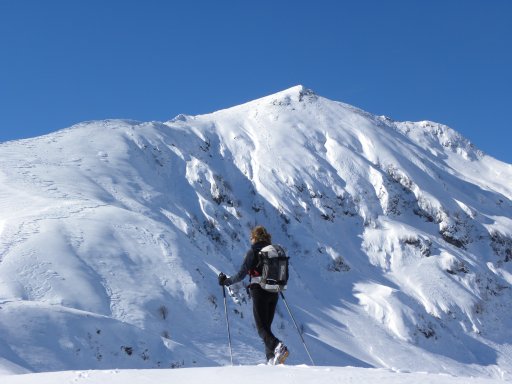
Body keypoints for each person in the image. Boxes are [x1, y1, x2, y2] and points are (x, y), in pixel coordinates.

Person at [218, 225, 289, 365]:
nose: (250, 239)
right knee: (266, 327)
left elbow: (241, 275)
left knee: (261, 328)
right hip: (274, 292)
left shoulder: (253, 252)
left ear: (255, 237)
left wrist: (226, 281)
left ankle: (277, 346)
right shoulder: (273, 252)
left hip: (259, 291)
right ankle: (271, 359)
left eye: (251, 237)